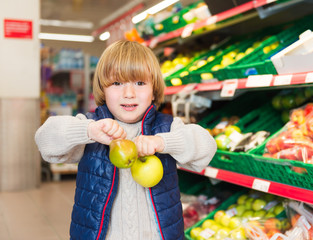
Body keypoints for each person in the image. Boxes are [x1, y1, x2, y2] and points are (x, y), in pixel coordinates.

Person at [35, 40, 217, 240]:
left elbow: (207, 147)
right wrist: (87, 130)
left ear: (154, 89)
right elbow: (45, 140)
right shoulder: (93, 127)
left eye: (139, 83)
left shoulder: (166, 127)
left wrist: (163, 143)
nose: (128, 94)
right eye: (117, 83)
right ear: (102, 89)